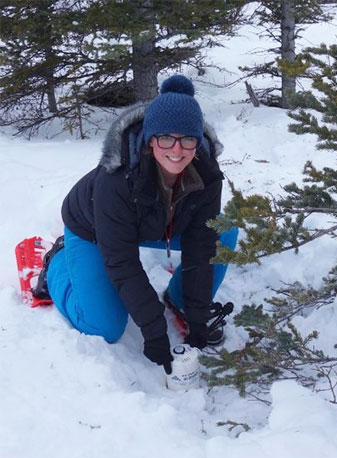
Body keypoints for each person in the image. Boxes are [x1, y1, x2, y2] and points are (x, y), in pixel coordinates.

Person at [35, 75, 238, 375]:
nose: (177, 149)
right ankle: (58, 263)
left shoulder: (207, 174)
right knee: (104, 326)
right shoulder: (116, 179)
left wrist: (196, 315)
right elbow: (122, 261)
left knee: (223, 230)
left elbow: (202, 245)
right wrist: (153, 326)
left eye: (187, 139)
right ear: (150, 139)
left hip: (157, 225)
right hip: (91, 229)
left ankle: (179, 298)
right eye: (166, 138)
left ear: (199, 141)